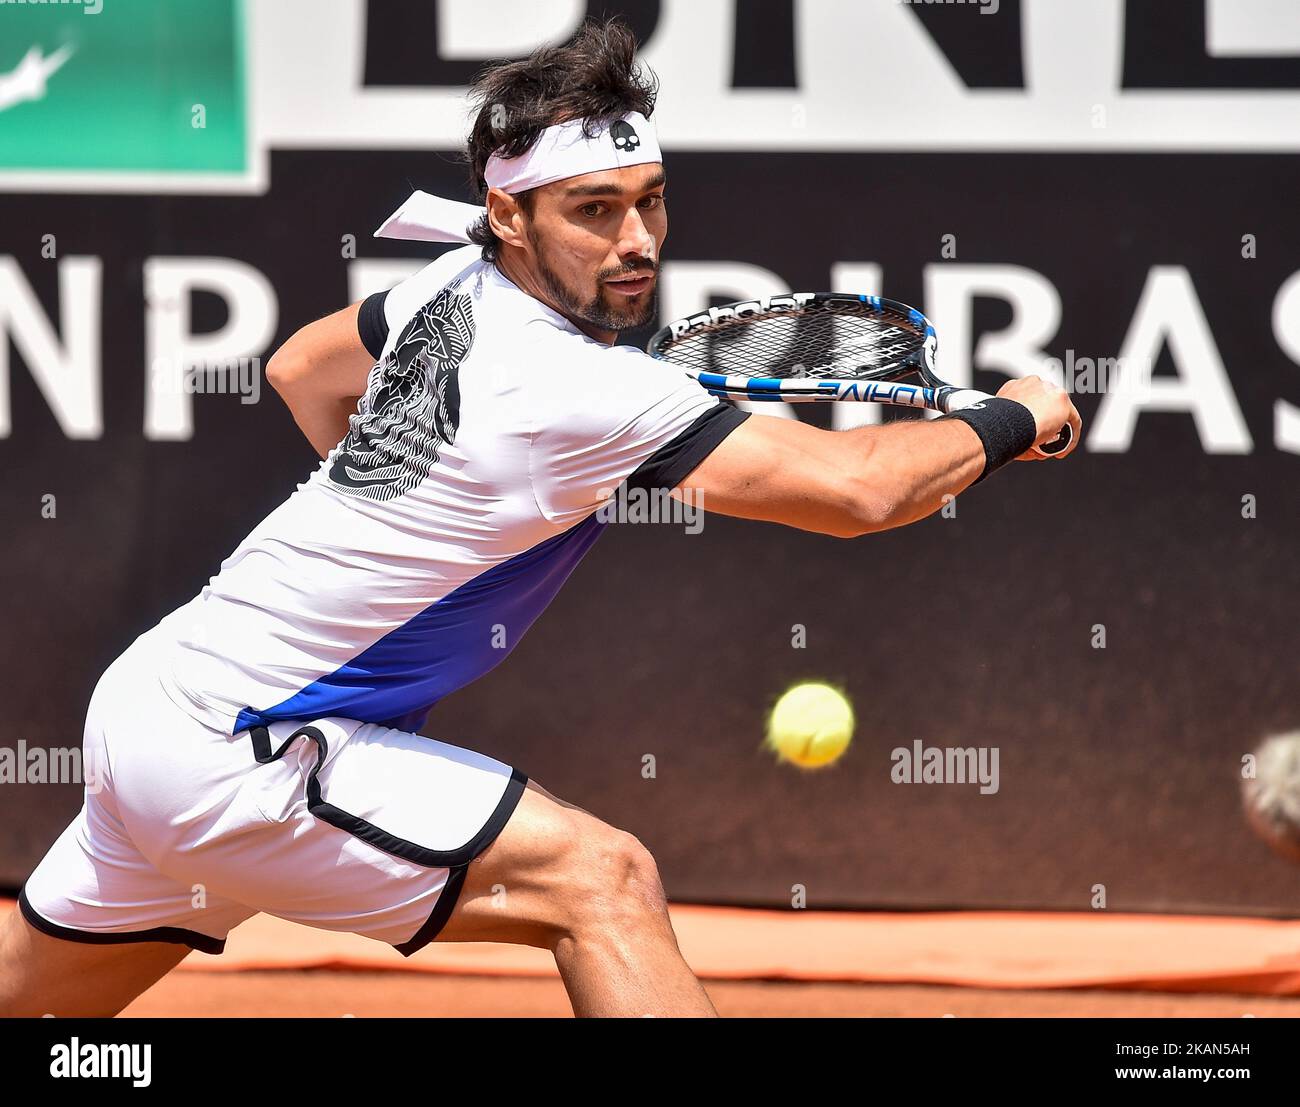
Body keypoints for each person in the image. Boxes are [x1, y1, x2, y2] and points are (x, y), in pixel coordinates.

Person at [0, 19, 1079, 1018]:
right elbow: (860, 492)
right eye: (594, 210)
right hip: (240, 756)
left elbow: (297, 370)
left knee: (36, 1003)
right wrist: (1013, 415)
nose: (636, 240)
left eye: (648, 200)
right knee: (600, 880)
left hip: (152, 702)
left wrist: (406, 496)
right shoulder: (587, 392)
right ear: (509, 214)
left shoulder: (451, 283)